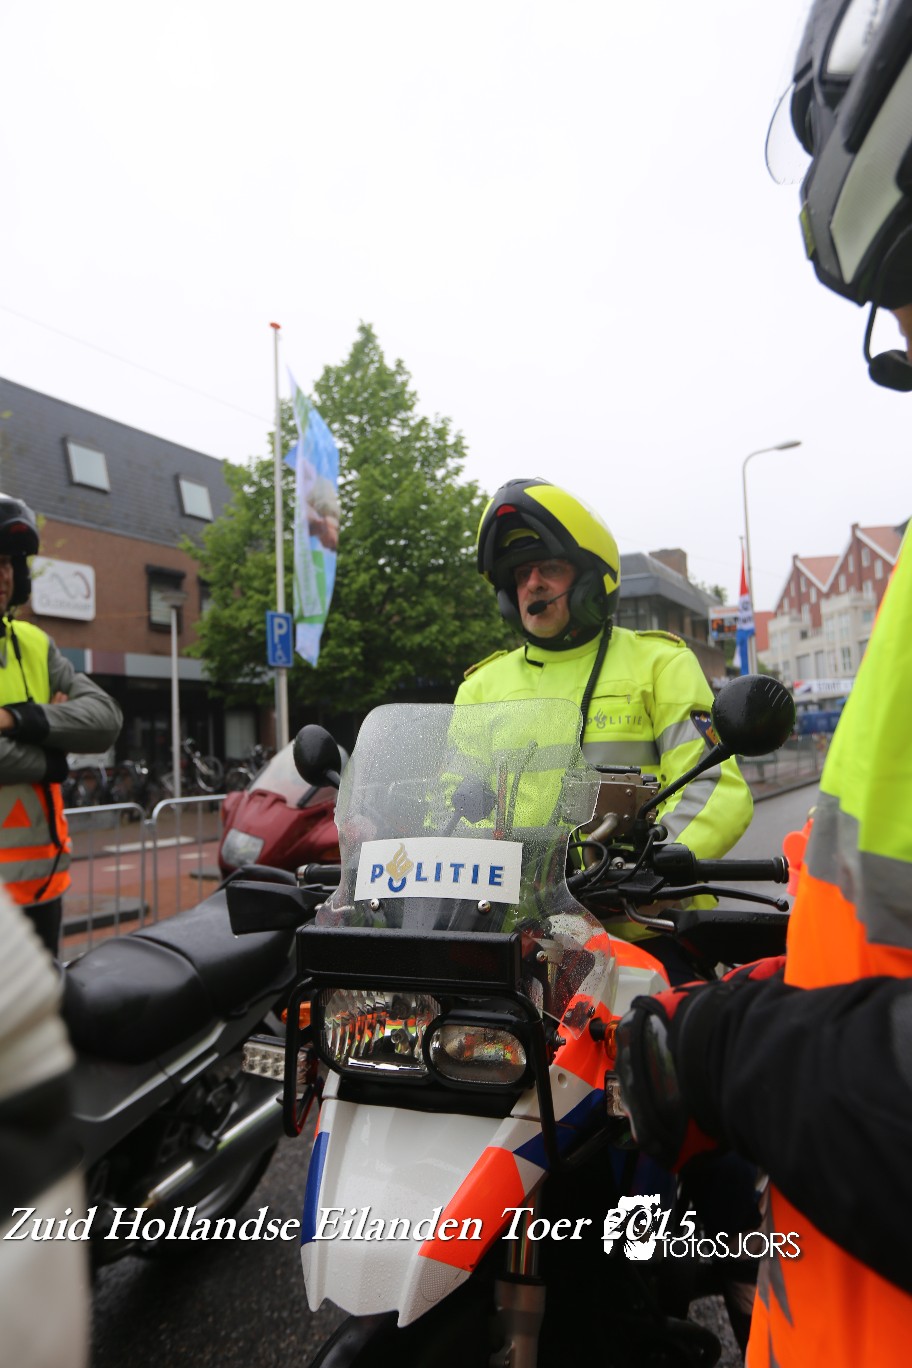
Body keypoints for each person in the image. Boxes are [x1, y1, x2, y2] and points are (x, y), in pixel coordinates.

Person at [616, 5, 912, 1365]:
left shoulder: (665, 655)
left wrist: (734, 1031)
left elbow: (727, 773)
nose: (897, 332)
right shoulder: (492, 672)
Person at [456, 478, 754, 889]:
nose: (532, 584)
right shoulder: (479, 689)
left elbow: (713, 788)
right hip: (520, 914)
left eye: (550, 569)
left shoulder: (661, 664)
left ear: (591, 581)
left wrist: (650, 869)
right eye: (522, 574)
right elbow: (452, 806)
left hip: (643, 912)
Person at [0, 495, 122, 956]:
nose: (2, 575)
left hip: (42, 894)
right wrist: (54, 757)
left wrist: (17, 718)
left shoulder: (34, 644)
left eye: (7, 563)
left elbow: (105, 719)